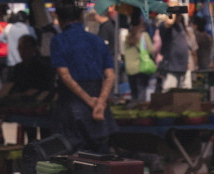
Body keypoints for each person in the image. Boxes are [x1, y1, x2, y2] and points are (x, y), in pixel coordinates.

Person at [50, 1, 116, 153]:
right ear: (81, 16)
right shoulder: (97, 40)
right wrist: (100, 102)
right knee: (100, 158)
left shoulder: (58, 41)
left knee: (72, 158)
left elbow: (65, 76)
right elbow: (110, 76)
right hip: (98, 107)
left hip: (71, 107)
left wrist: (89, 101)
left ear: (59, 18)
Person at [158, 13, 193, 90]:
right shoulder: (164, 26)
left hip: (183, 68)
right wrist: (173, 10)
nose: (179, 17)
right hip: (171, 67)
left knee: (182, 93)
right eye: (177, 15)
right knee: (169, 91)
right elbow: (169, 22)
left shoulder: (180, 26)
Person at [123, 23, 156, 103]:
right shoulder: (144, 35)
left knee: (134, 92)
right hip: (141, 67)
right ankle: (140, 107)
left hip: (129, 68)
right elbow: (151, 50)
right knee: (141, 90)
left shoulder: (127, 36)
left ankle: (133, 106)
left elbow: (123, 52)